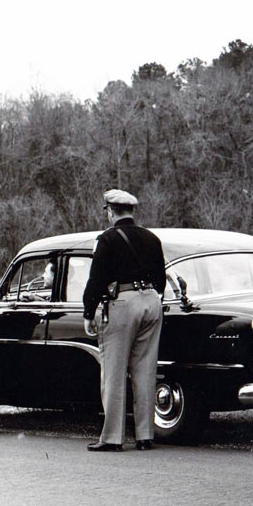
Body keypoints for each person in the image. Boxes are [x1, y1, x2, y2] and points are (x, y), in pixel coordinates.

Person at [82, 189, 166, 452]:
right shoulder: (152, 238)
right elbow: (161, 280)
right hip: (151, 302)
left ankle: (113, 438)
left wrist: (88, 311)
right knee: (145, 370)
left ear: (110, 212)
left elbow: (96, 280)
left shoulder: (106, 239)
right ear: (131, 211)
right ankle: (144, 435)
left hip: (122, 303)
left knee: (114, 372)